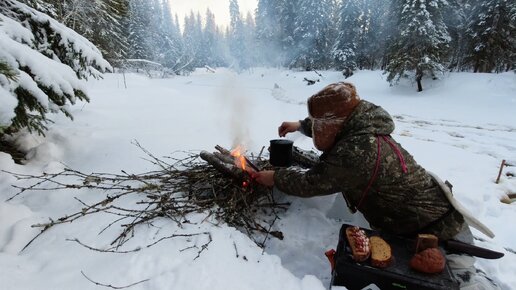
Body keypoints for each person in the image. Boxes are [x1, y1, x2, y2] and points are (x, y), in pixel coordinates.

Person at [253, 82, 500, 290]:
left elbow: (314, 182)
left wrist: (275, 178)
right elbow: (336, 121)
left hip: (439, 235)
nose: (317, 127)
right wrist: (300, 125)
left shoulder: (359, 150)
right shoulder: (359, 124)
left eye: (318, 125)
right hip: (419, 225)